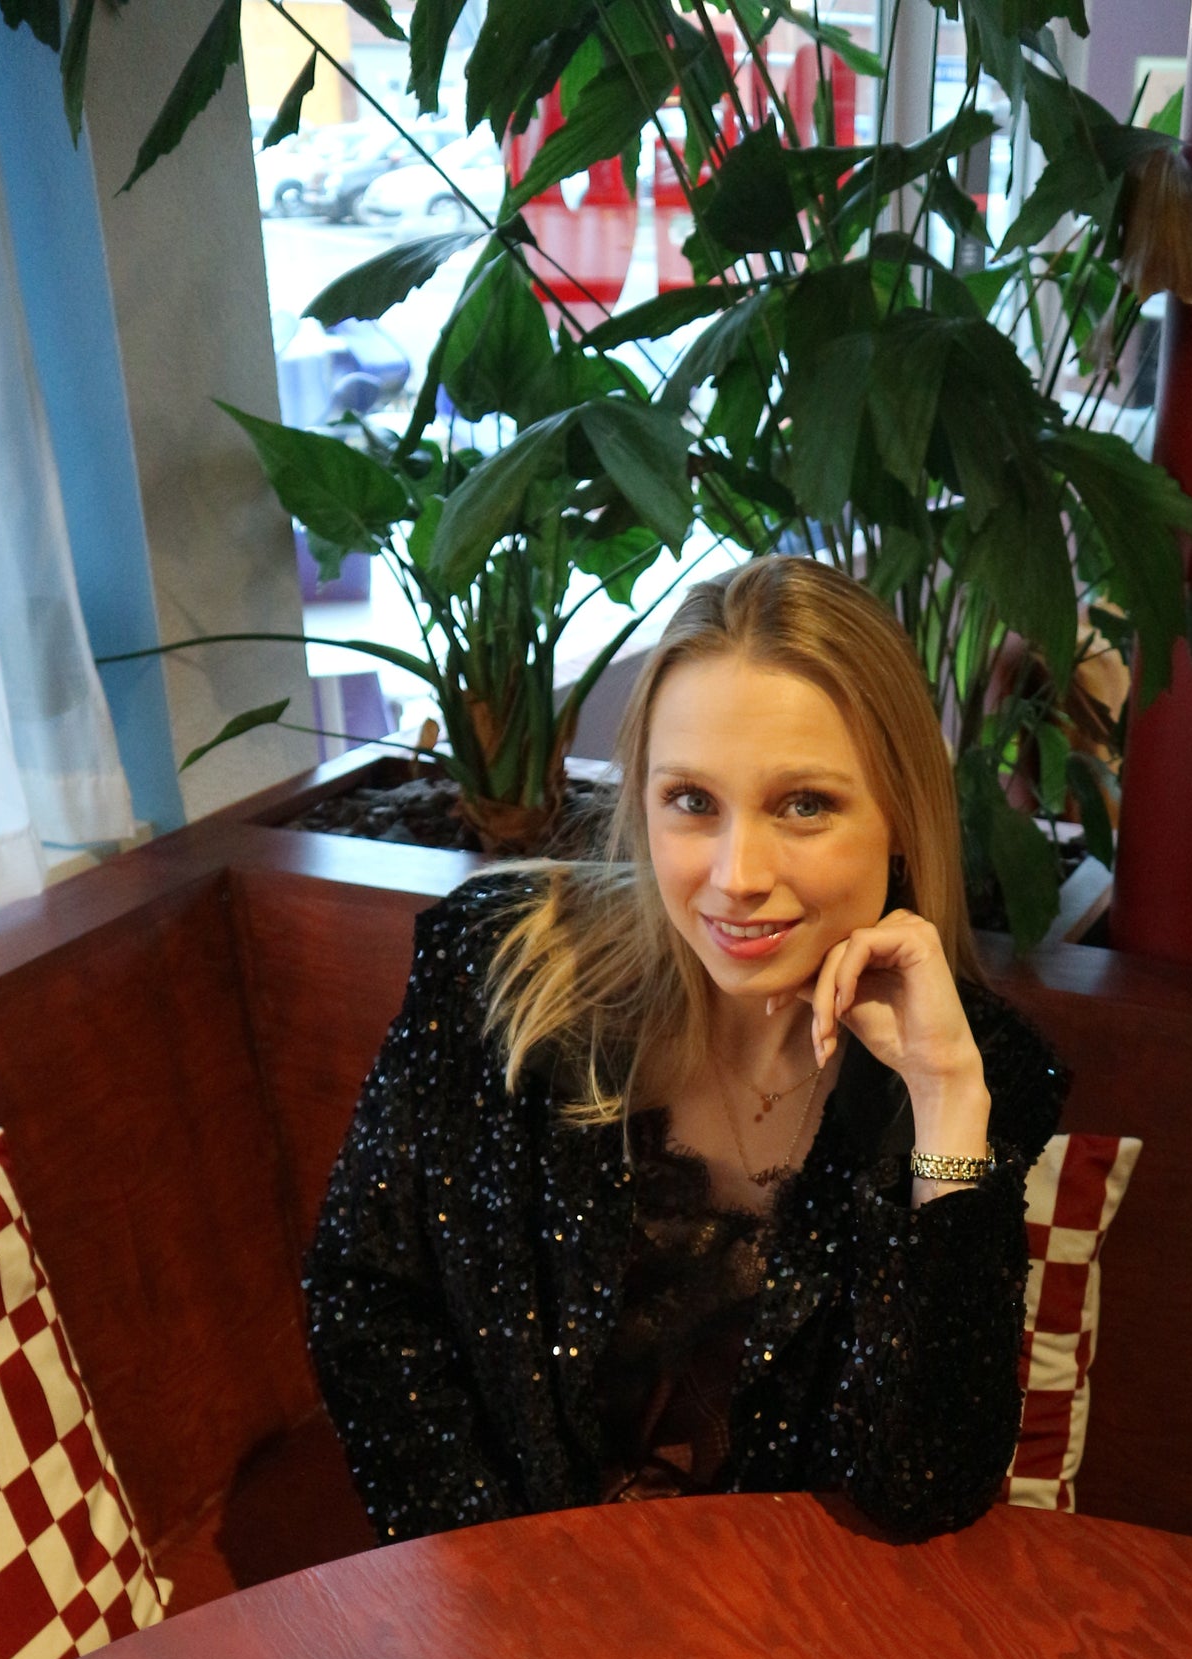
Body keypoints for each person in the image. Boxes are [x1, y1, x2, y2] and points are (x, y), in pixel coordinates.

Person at [305, 557, 1068, 1544]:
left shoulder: (973, 1066)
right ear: (643, 803)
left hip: (796, 1610)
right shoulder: (497, 971)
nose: (737, 874)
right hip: (514, 1590)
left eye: (804, 803)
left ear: (898, 818)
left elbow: (923, 1486)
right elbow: (366, 1303)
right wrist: (506, 1579)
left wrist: (946, 1106)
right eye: (693, 801)